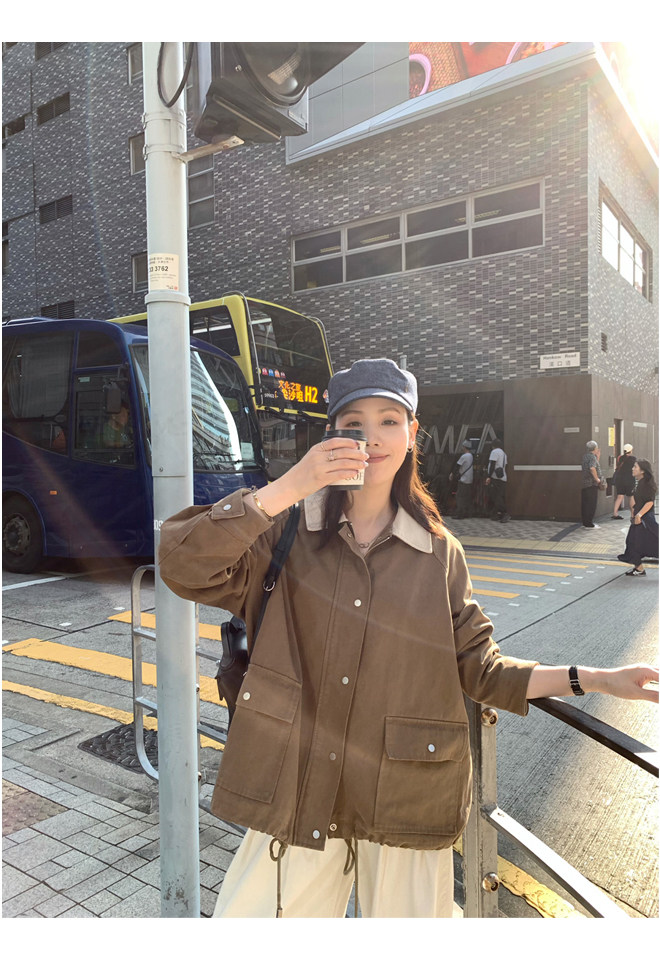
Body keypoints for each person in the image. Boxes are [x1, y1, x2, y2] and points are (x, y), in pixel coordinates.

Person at [158, 358, 658, 919]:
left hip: (404, 793)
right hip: (297, 783)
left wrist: (595, 679)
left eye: (389, 421)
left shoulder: (438, 552)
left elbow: (482, 669)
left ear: (412, 433)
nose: (371, 437)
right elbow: (181, 565)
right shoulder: (285, 528)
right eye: (353, 423)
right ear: (330, 434)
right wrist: (292, 485)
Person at [617, 458, 659, 576]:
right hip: (639, 518)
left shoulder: (646, 484)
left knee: (641, 543)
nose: (632, 468)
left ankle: (639, 569)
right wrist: (634, 513)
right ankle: (639, 569)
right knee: (633, 543)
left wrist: (639, 515)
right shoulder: (639, 482)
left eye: (635, 467)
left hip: (645, 519)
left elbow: (649, 502)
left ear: (642, 471)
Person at [581, 440, 606, 528]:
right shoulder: (592, 457)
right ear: (595, 448)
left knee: (585, 503)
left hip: (585, 483)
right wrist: (597, 479)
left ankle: (585, 521)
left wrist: (597, 457)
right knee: (591, 504)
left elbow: (593, 465)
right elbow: (592, 468)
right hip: (592, 484)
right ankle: (589, 522)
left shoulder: (585, 456)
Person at [484, 438, 510, 522]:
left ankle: (505, 513)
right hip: (503, 478)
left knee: (496, 497)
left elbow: (492, 464)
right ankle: (496, 514)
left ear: (493, 446)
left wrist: (489, 476)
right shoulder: (504, 454)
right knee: (499, 496)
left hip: (495, 478)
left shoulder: (494, 452)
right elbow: (505, 465)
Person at [449, 440, 474, 518]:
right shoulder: (471, 456)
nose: (462, 448)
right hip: (469, 479)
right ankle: (466, 512)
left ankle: (460, 513)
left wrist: (452, 474)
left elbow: (457, 466)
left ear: (464, 447)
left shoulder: (464, 456)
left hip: (464, 479)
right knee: (466, 497)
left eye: (462, 446)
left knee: (459, 496)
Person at [612, 444, 636, 519]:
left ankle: (615, 513)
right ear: (630, 450)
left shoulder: (620, 458)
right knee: (631, 497)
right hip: (629, 480)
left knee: (619, 496)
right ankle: (633, 514)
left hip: (620, 480)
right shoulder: (633, 459)